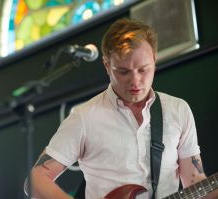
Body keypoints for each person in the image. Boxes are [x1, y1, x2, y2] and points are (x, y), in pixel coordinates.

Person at [25, 18, 217, 199]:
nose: (135, 81)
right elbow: (35, 180)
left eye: (143, 69)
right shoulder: (84, 117)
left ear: (155, 59)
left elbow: (195, 182)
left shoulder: (178, 110)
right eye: (123, 71)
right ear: (107, 65)